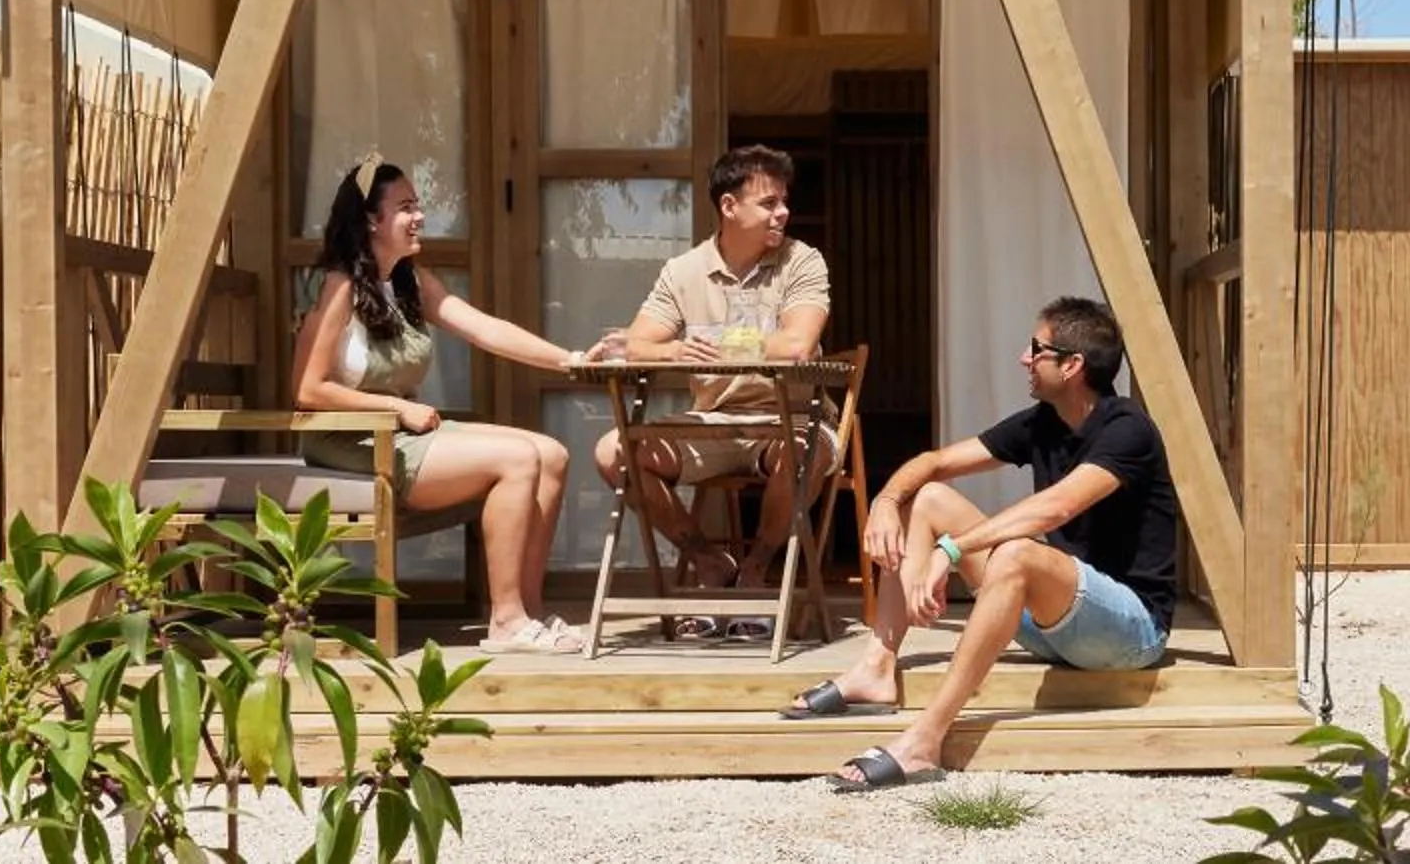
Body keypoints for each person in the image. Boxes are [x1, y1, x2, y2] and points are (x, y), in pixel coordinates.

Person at [784, 295, 1180, 794]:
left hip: (1129, 632)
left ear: (1073, 365)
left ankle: (925, 739)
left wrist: (950, 553)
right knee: (924, 498)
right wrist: (886, 500)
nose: (1023, 359)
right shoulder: (1043, 422)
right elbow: (934, 462)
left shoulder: (1128, 431)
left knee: (1019, 551)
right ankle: (877, 667)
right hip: (1055, 621)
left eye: (1036, 349)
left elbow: (1054, 508)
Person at [291, 150, 621, 654]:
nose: (419, 215)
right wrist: (396, 409)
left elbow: (486, 329)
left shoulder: (409, 281)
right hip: (352, 439)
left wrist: (573, 359)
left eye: (417, 204)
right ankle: (505, 620)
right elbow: (307, 391)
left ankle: (527, 613)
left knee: (551, 454)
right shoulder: (338, 286)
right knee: (517, 459)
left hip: (402, 431)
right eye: (405, 206)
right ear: (371, 220)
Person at [591, 143, 832, 609]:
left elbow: (797, 344)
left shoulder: (802, 261)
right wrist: (675, 349)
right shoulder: (684, 272)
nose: (783, 212)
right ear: (729, 206)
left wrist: (719, 344)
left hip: (794, 419)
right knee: (612, 452)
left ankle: (757, 569)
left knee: (798, 453)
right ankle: (707, 560)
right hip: (712, 420)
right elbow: (632, 344)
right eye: (769, 203)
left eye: (784, 201)